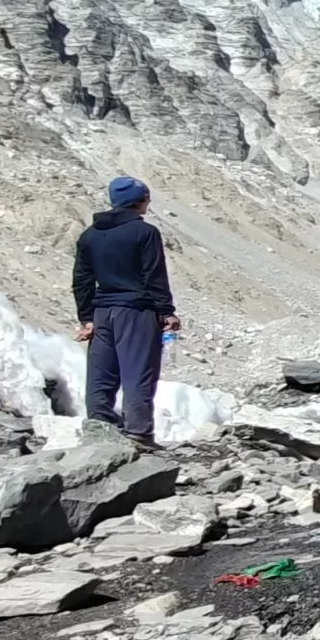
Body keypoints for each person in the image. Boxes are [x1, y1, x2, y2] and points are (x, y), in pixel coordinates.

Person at [72, 175, 177, 449]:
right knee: (138, 372)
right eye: (147, 198)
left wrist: (86, 318)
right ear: (139, 201)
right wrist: (166, 311)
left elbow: (82, 280)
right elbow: (154, 275)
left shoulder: (89, 235)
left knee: (101, 375)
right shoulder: (145, 233)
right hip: (136, 312)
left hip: (101, 312)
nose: (148, 203)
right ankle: (138, 433)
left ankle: (100, 429)